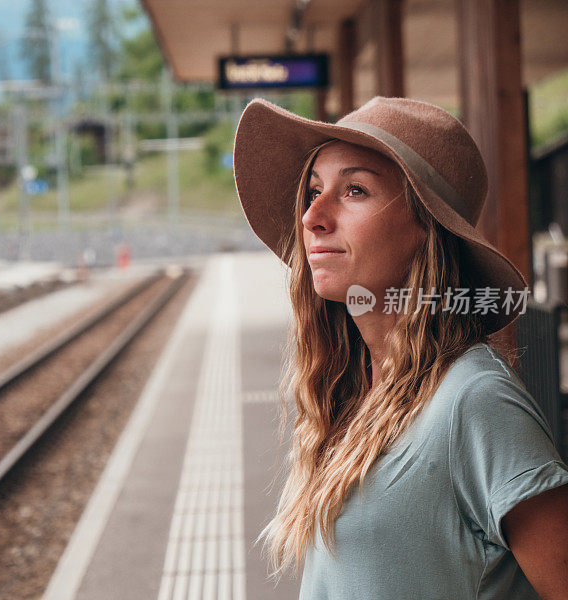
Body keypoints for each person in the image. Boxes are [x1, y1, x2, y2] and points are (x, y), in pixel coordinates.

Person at [232, 96, 568, 600]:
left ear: (426, 225)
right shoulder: (353, 390)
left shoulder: (474, 400)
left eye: (354, 190)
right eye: (314, 191)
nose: (313, 217)